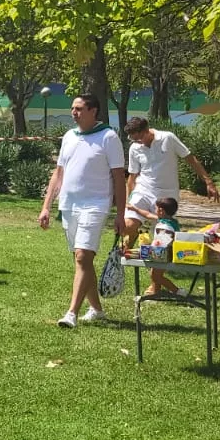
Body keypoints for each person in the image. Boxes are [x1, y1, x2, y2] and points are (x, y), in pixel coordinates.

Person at [38, 93, 126, 328]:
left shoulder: (108, 137)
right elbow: (58, 173)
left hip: (96, 205)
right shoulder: (69, 136)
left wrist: (120, 214)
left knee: (82, 256)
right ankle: (96, 309)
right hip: (69, 205)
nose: (73, 113)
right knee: (81, 260)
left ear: (93, 111)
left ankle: (71, 313)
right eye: (73, 108)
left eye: (78, 109)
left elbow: (119, 178)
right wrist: (47, 206)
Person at [121, 116, 218, 296]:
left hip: (166, 195)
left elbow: (191, 159)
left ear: (146, 130)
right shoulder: (135, 148)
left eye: (138, 137)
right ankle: (131, 238)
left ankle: (155, 285)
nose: (136, 142)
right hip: (143, 190)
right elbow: (132, 177)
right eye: (132, 139)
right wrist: (127, 202)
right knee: (127, 227)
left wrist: (208, 182)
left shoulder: (168, 138)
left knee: (161, 242)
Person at [129, 196, 185, 297]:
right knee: (155, 275)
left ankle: (178, 291)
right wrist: (135, 209)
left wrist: (145, 249)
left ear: (161, 211)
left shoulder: (165, 227)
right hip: (165, 254)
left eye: (156, 208)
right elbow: (147, 214)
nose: (154, 210)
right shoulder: (168, 220)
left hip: (165, 255)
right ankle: (156, 292)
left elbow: (162, 245)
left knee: (156, 276)